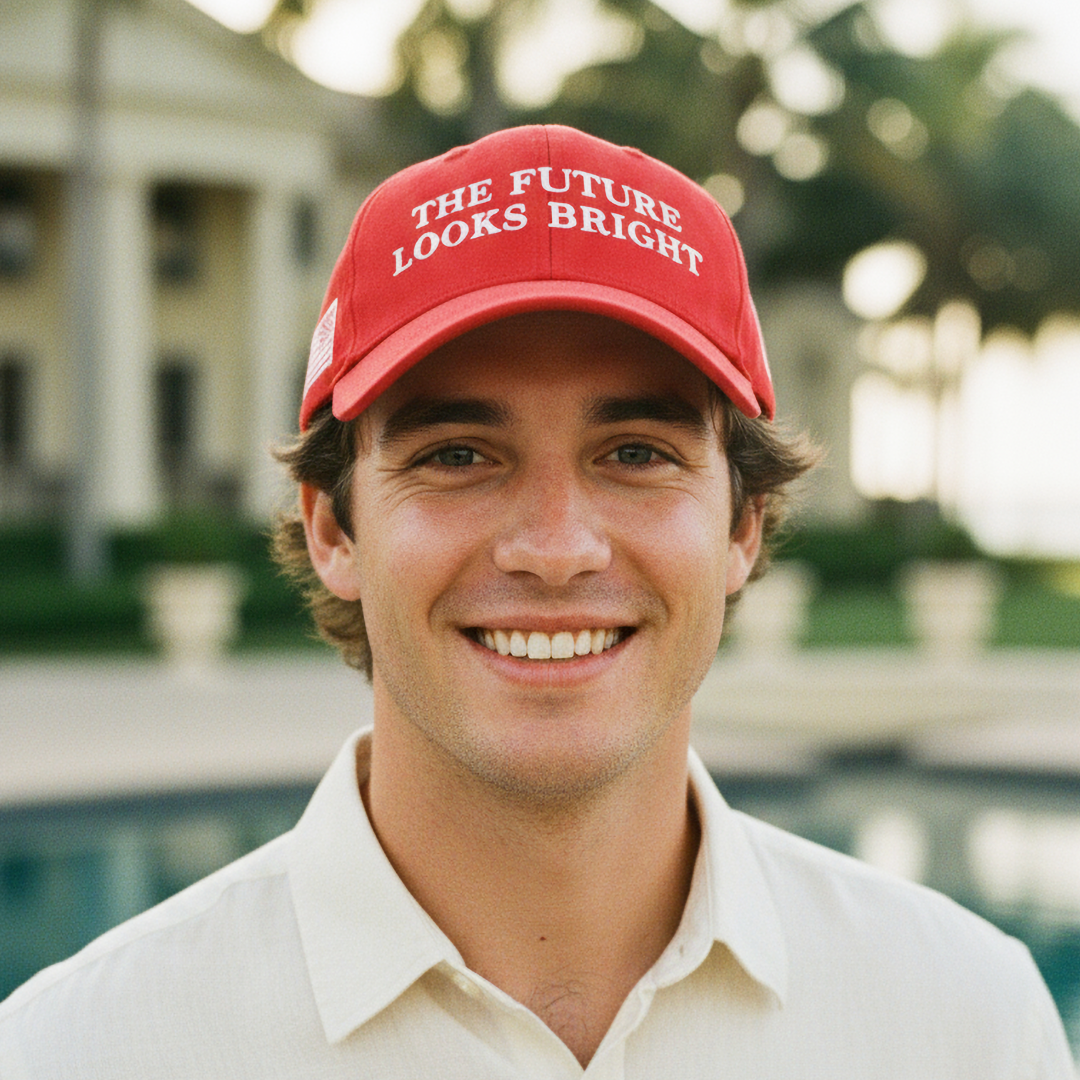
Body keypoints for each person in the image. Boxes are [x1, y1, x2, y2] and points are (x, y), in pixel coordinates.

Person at [0, 125, 1073, 1078]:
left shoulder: (968, 1025)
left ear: (743, 524)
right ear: (334, 526)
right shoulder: (79, 1053)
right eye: (459, 453)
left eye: (638, 452)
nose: (556, 549)